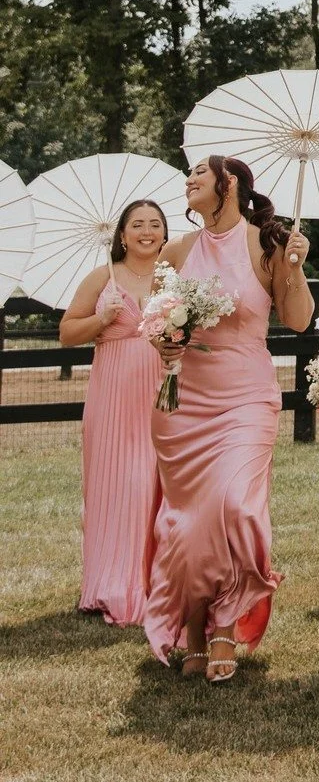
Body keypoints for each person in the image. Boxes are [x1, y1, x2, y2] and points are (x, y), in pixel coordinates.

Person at [143, 155, 313, 681]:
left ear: (229, 182)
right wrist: (166, 346)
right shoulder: (175, 252)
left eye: (198, 172)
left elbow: (298, 318)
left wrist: (295, 266)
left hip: (246, 396)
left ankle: (225, 626)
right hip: (184, 400)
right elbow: (155, 322)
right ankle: (196, 632)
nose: (188, 180)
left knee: (236, 506)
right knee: (189, 522)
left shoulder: (268, 243)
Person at [60, 198, 169, 627]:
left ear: (164, 232)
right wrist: (100, 319)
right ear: (122, 235)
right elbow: (67, 333)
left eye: (155, 224)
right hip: (113, 400)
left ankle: (160, 582)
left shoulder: (174, 276)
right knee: (120, 485)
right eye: (137, 224)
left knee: (159, 484)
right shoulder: (102, 278)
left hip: (164, 391)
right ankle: (112, 583)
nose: (147, 231)